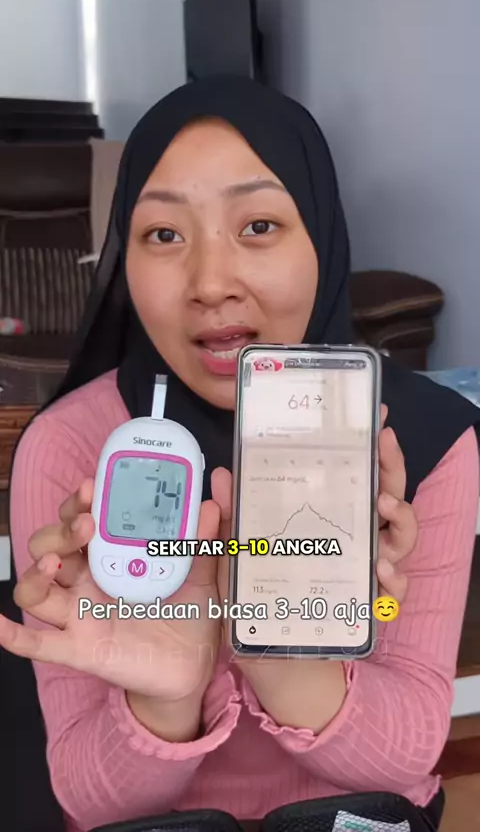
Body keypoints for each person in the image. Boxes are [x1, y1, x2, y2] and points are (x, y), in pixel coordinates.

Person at [1, 76, 479, 832]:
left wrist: (276, 651)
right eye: (164, 234)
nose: (210, 283)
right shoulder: (72, 450)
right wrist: (166, 696)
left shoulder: (425, 443)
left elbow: (405, 757)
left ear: (321, 236)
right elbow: (91, 801)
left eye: (258, 225)